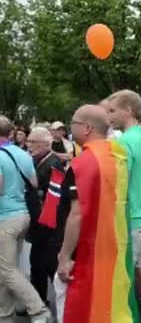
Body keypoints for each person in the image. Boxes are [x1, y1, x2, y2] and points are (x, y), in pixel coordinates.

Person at [55, 105, 138, 323]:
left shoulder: (83, 163)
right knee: (113, 305)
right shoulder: (117, 157)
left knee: (83, 308)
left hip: (86, 251)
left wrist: (64, 256)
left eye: (73, 122)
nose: (70, 127)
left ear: (87, 128)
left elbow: (77, 214)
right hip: (115, 247)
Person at [106, 90, 141, 323]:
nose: (109, 116)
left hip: (131, 224)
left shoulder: (123, 142)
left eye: (112, 110)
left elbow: (119, 184)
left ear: (128, 110)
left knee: (122, 288)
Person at [0, 116, 51, 323]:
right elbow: (34, 182)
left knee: (7, 269)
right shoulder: (22, 154)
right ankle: (5, 314)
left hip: (5, 218)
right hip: (23, 215)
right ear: (10, 132)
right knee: (7, 268)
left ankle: (38, 309)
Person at [26, 127, 63, 306]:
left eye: (32, 142)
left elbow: (55, 198)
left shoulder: (53, 163)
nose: (28, 145)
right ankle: (38, 301)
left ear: (44, 144)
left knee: (49, 266)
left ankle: (58, 304)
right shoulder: (38, 161)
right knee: (37, 265)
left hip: (48, 226)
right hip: (40, 225)